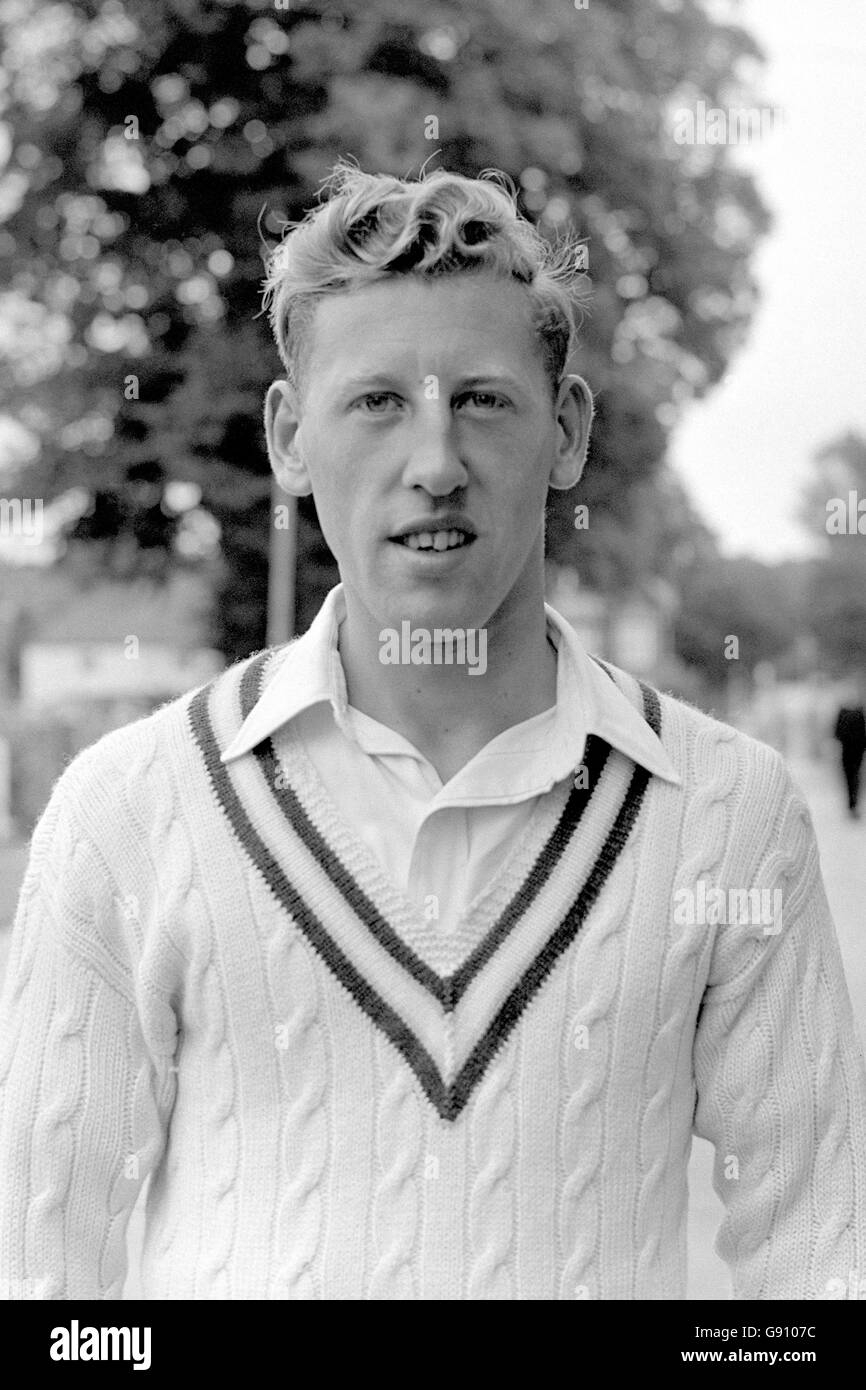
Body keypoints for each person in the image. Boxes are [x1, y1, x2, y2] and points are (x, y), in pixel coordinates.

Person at [1, 163, 865, 1302]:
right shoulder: (126, 811)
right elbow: (41, 1274)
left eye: (480, 399)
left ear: (564, 431)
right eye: (375, 402)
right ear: (288, 438)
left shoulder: (729, 818)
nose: (434, 465)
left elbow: (814, 1258)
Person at [833, 685, 866, 818]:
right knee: (849, 778)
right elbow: (837, 731)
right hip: (847, 751)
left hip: (857, 752)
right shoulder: (843, 712)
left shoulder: (859, 712)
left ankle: (854, 804)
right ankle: (851, 804)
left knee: (856, 778)